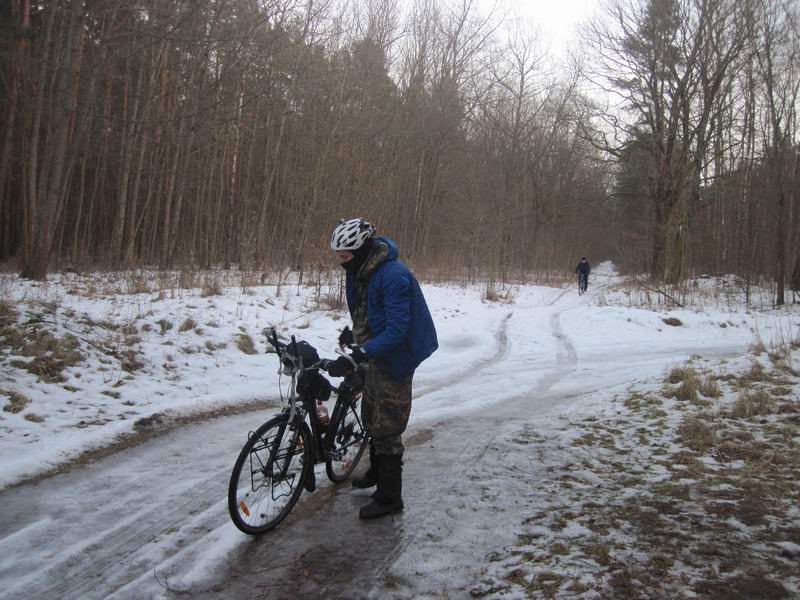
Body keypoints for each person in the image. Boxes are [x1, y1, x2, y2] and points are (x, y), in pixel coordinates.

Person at [328, 217, 438, 520]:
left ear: (362, 251)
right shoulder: (359, 271)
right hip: (377, 348)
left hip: (399, 352)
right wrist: (355, 334)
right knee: (371, 412)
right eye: (338, 255)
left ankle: (391, 498)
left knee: (388, 421)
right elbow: (366, 308)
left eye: (345, 256)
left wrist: (362, 352)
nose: (340, 262)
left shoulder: (393, 276)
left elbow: (398, 328)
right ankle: (376, 472)